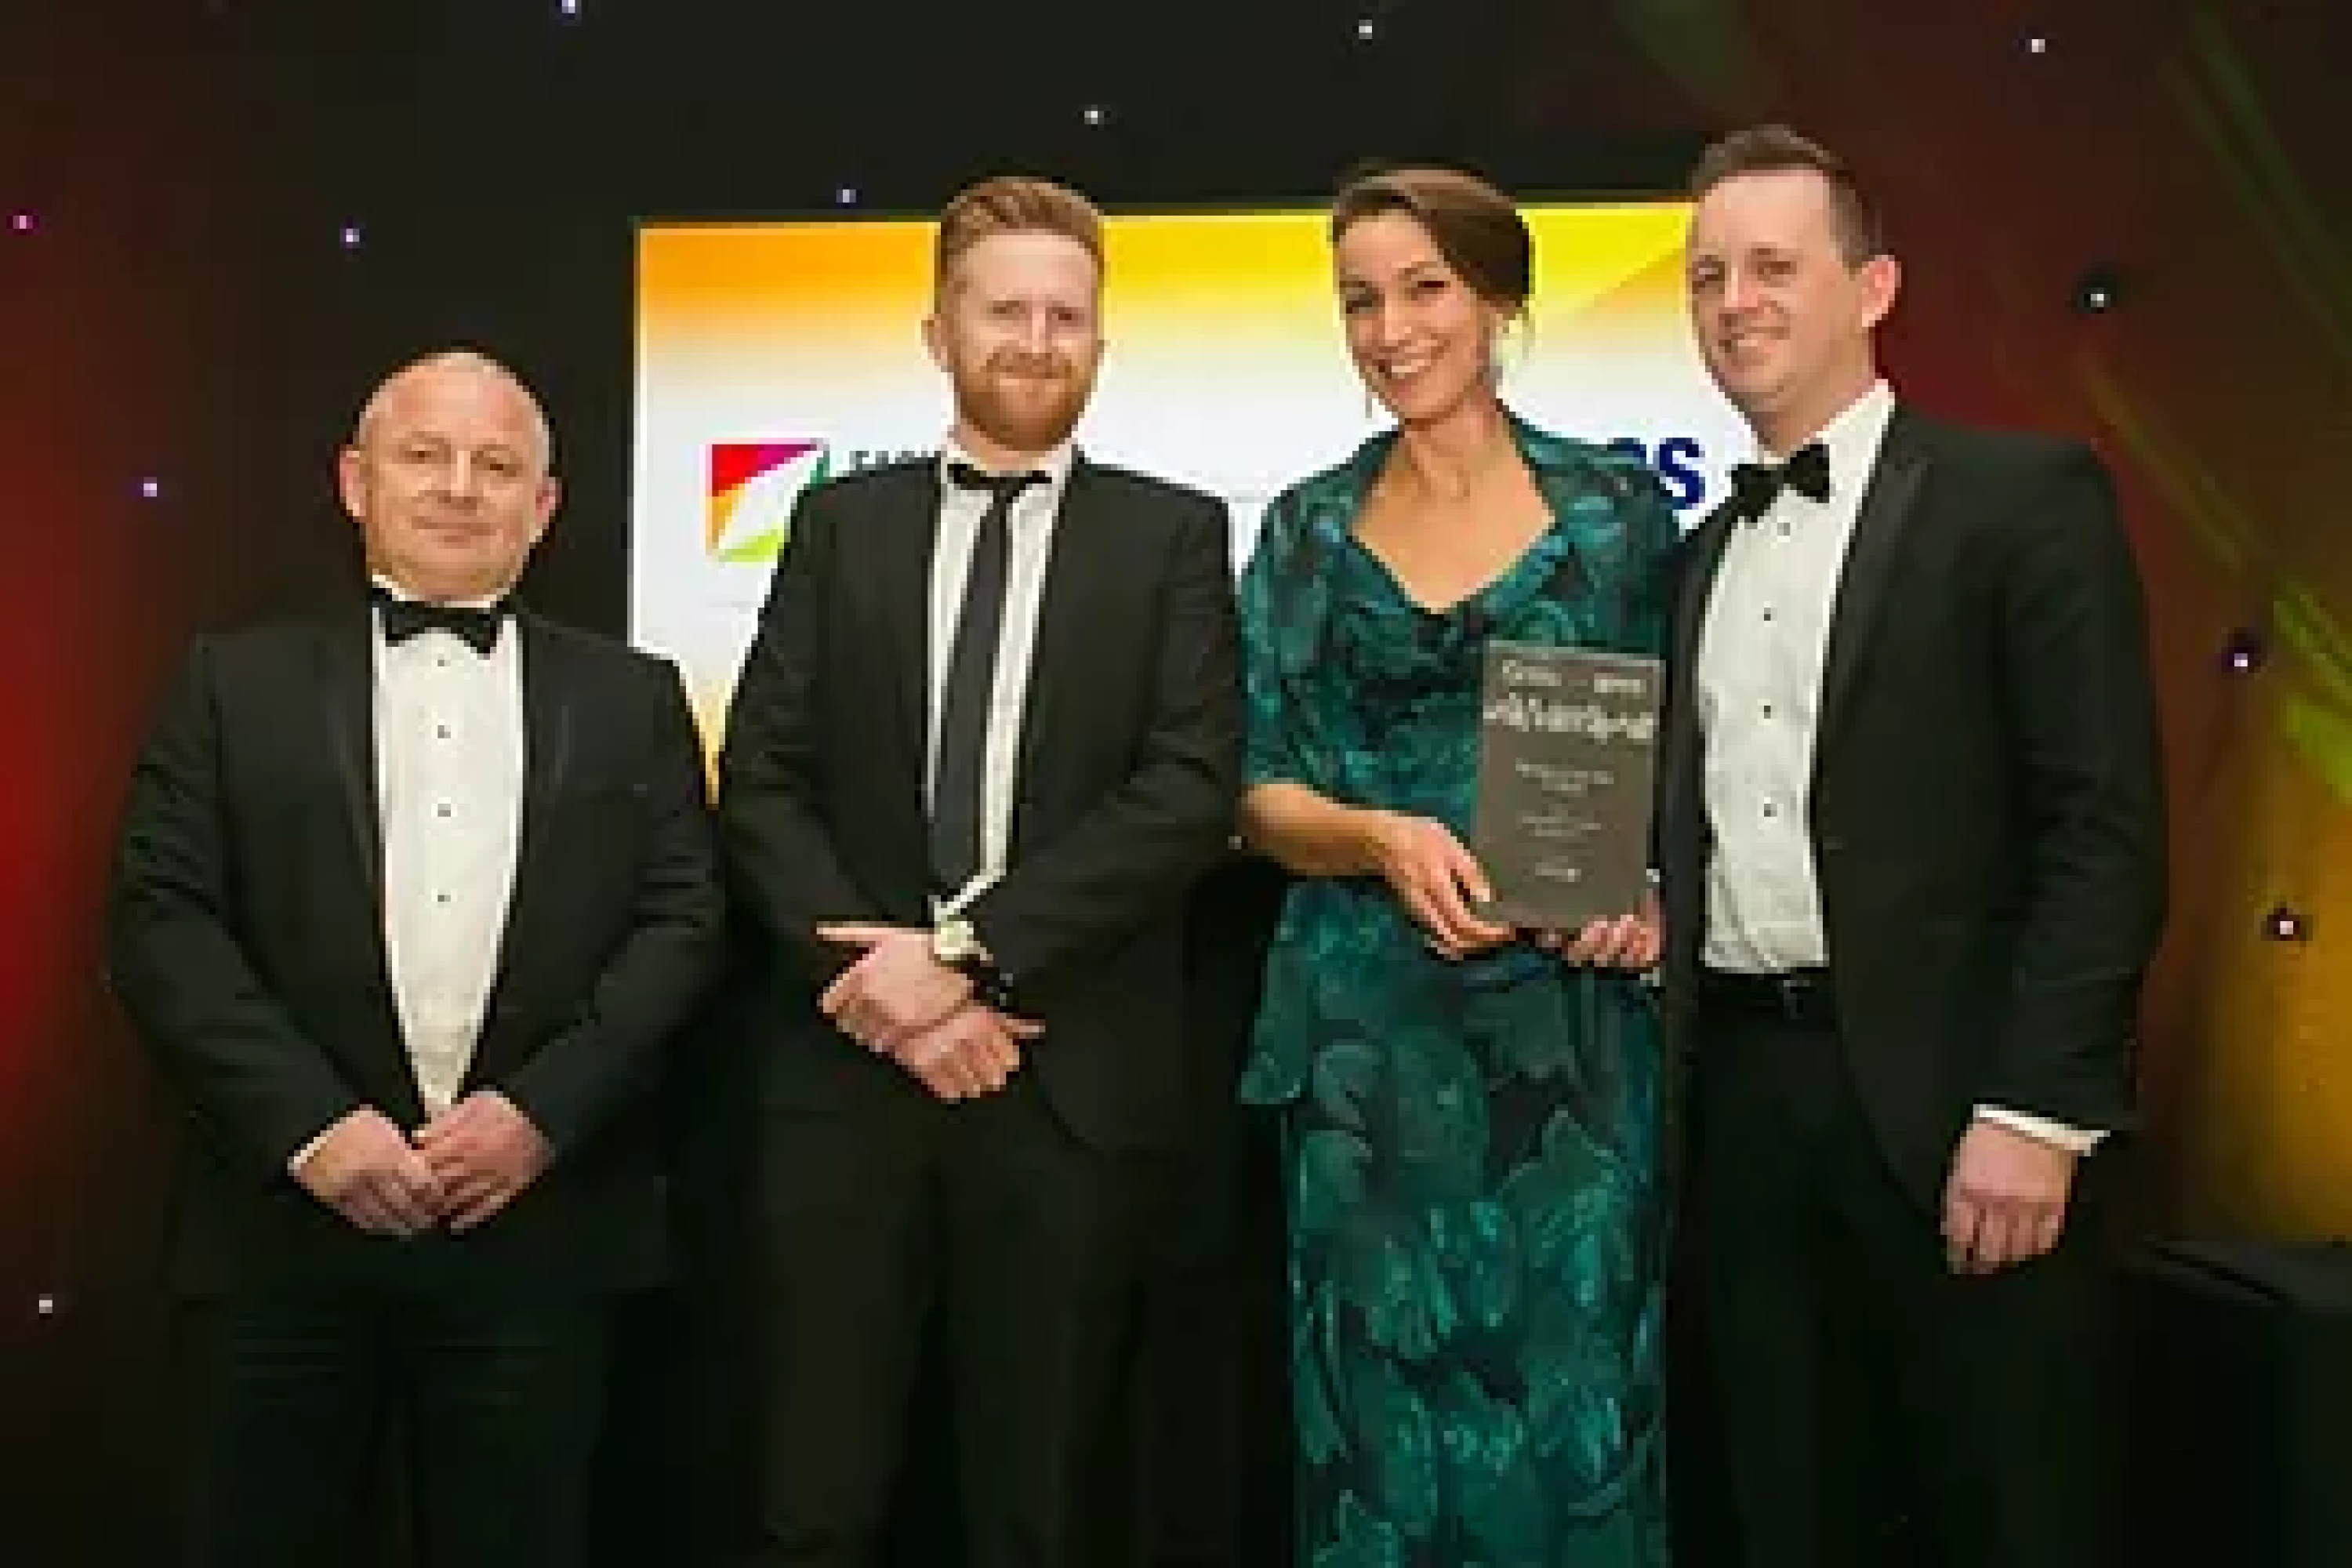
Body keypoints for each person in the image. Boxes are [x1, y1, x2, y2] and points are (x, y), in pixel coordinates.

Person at [107, 350, 725, 1567]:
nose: (459, 488)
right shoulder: (230, 683)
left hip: (542, 1238)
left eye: (497, 465)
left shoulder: (637, 697)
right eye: (424, 456)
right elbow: (161, 922)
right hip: (279, 1238)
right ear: (356, 482)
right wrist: (313, 1128)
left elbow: (685, 925)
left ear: (544, 505)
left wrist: (540, 1116)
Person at [1658, 125, 2167, 1568]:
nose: (1736, 302)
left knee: (2003, 1508)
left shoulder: (2024, 498)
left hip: (1963, 1110)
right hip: (1743, 1111)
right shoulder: (1696, 561)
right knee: (1784, 1514)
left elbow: (2103, 824)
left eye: (1773, 267)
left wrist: (2038, 1110)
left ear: (1874, 288)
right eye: (1708, 275)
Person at [716, 174, 1243, 1568]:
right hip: (845, 1082)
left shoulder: (1175, 536)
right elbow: (760, 779)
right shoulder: (839, 525)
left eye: (1067, 316)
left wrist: (961, 958)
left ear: (1102, 342)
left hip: (1067, 1090)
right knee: (815, 1505)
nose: (1036, 340)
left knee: (1043, 1511)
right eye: (1004, 310)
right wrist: (885, 994)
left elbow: (1186, 793)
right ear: (938, 332)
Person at [1236, 165, 1676, 1566]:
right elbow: (1256, 793)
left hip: (1574, 1050)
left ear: (1497, 300)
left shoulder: (1619, 512)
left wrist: (1651, 893)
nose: (1392, 330)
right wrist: (1377, 839)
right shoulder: (1305, 529)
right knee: (1376, 1438)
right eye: (1360, 300)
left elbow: (1690, 761)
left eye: (1425, 288)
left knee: (1578, 1423)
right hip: (1364, 1054)